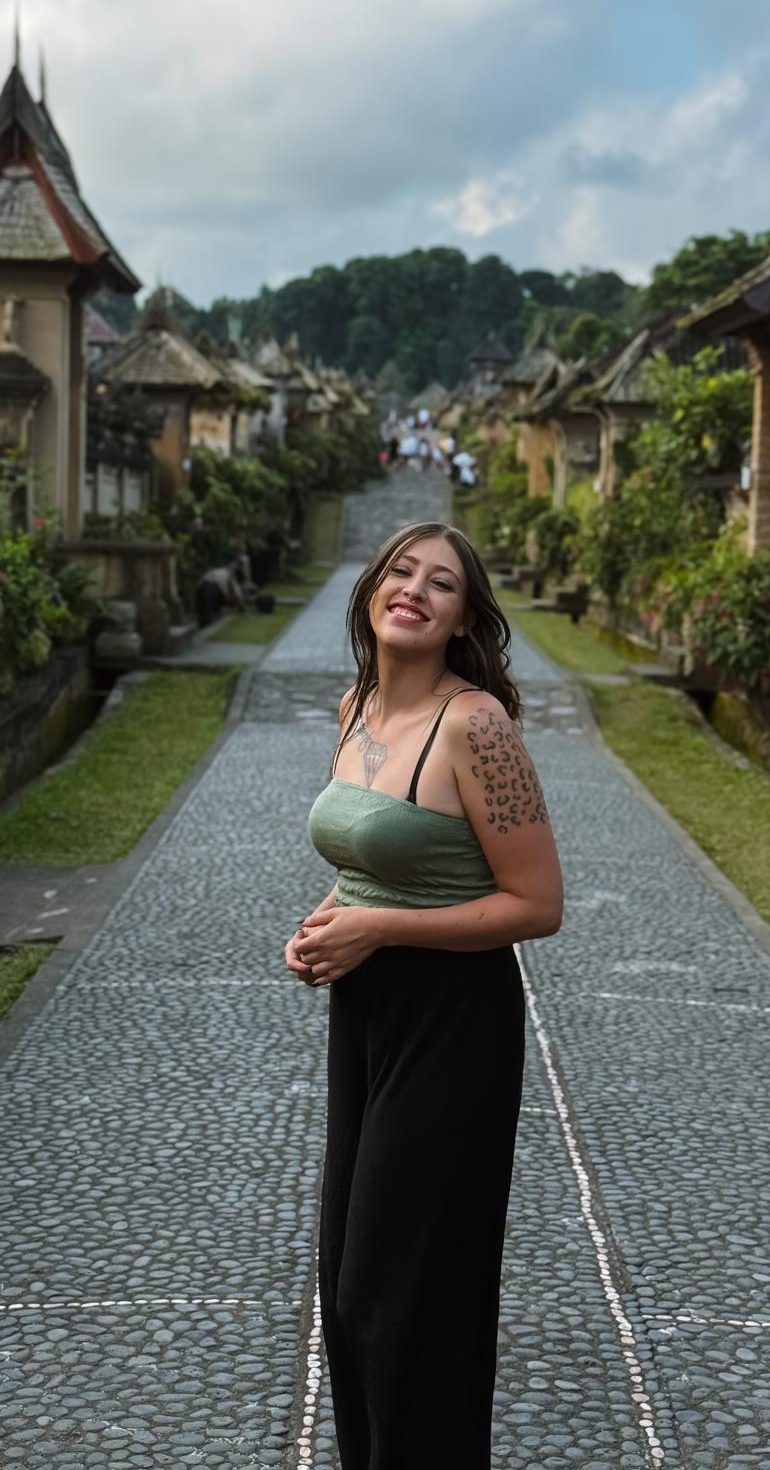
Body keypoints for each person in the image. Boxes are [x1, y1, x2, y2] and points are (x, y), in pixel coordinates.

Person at [287, 521, 563, 1469]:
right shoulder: (354, 706)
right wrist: (327, 920)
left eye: (441, 584)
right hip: (364, 1013)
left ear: (460, 619)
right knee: (345, 1283)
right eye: (400, 572)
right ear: (371, 590)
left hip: (456, 1023)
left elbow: (537, 905)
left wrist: (380, 929)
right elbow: (374, 864)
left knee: (397, 1291)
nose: (415, 590)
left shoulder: (476, 725)